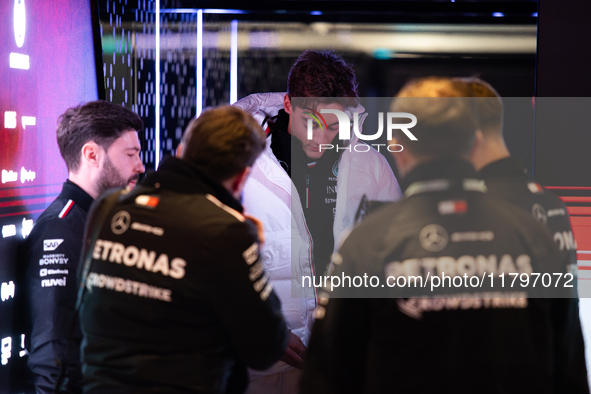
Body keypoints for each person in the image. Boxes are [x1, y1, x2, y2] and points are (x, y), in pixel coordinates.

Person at [300, 77, 588, 393]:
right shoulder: (534, 235)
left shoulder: (365, 244)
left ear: (398, 147)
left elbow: (325, 377)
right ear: (476, 141)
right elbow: (569, 369)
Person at [77, 105, 288, 393]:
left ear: (179, 151)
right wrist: (252, 251)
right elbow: (266, 347)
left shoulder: (108, 206)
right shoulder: (228, 231)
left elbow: (86, 302)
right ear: (241, 178)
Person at [234, 50, 401, 393]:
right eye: (311, 123)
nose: (321, 138)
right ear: (288, 104)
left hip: (340, 360)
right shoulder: (239, 163)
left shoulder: (371, 166)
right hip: (255, 365)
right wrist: (258, 332)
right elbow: (211, 266)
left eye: (335, 126)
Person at [20, 100, 145, 393]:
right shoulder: (61, 229)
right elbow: (55, 358)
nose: (140, 165)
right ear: (91, 154)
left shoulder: (107, 220)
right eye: (131, 154)